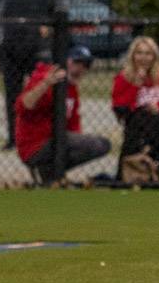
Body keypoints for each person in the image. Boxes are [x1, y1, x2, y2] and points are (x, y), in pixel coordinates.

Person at [0, 0, 67, 150]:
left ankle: (43, 136)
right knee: (12, 96)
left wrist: (50, 27)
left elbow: (62, 13)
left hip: (39, 50)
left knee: (41, 94)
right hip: (12, 49)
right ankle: (14, 137)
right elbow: (1, 14)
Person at [14, 44, 110, 183]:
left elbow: (73, 124)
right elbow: (23, 106)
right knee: (96, 144)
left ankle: (50, 173)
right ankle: (47, 170)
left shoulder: (72, 90)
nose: (80, 68)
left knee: (102, 145)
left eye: (86, 65)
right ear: (65, 62)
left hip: (58, 142)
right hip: (34, 146)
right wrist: (45, 83)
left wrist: (78, 141)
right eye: (77, 62)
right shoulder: (45, 77)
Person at [111, 36, 159, 180]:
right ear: (133, 55)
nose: (143, 58)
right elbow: (120, 107)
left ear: (154, 57)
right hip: (139, 125)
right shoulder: (123, 78)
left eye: (148, 53)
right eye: (139, 53)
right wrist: (136, 84)